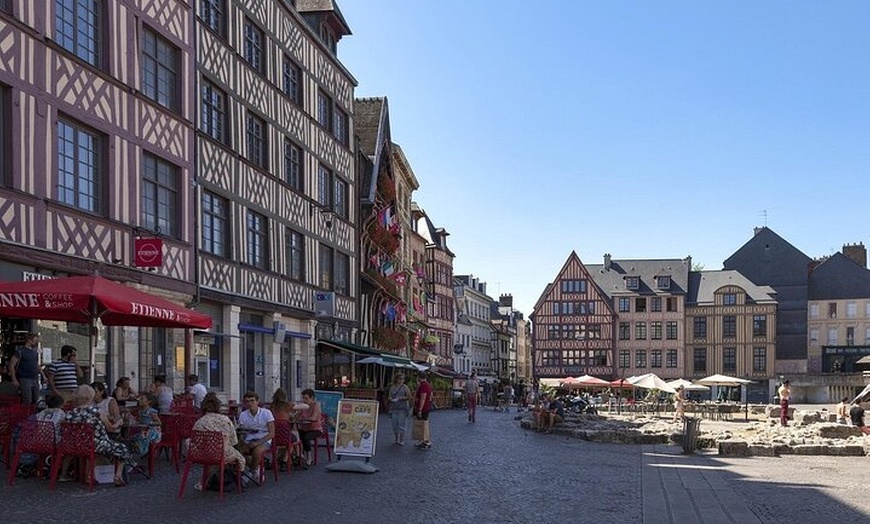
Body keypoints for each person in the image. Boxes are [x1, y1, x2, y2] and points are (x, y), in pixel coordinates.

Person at [64, 384, 136, 487]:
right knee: (123, 448)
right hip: (96, 445)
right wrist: (119, 422)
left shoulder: (70, 413)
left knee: (97, 452)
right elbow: (111, 428)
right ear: (90, 397)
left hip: (75, 445)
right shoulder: (97, 412)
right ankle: (118, 476)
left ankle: (90, 475)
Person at [192, 393, 246, 482]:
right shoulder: (225, 420)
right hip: (222, 454)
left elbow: (196, 441)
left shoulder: (199, 422)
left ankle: (207, 480)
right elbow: (233, 441)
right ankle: (233, 478)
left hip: (202, 454)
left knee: (215, 454)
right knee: (235, 455)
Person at [237, 391, 275, 478]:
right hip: (249, 438)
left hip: (264, 439)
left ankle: (251, 473)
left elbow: (272, 433)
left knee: (257, 451)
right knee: (237, 451)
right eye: (247, 401)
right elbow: (242, 431)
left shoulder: (266, 413)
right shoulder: (243, 415)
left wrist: (256, 443)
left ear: (257, 401)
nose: (250, 403)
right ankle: (255, 467)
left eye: (252, 400)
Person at [8, 333, 41, 405]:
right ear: (29, 340)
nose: (36, 342)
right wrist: (14, 379)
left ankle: (32, 410)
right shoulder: (20, 352)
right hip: (24, 378)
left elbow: (36, 364)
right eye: (35, 340)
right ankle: (26, 410)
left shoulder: (34, 352)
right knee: (27, 398)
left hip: (34, 377)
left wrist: (43, 375)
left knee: (36, 397)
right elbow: (11, 365)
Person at [296, 389, 323, 465]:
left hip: (315, 429)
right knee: (295, 436)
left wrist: (302, 419)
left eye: (306, 398)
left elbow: (313, 418)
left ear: (312, 398)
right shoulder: (303, 406)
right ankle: (300, 455)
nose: (304, 400)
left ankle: (309, 457)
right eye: (303, 398)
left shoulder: (315, 406)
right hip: (304, 428)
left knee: (306, 437)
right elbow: (297, 417)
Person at [133, 392, 162, 458]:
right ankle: (138, 450)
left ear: (149, 401)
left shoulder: (151, 411)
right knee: (135, 437)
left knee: (143, 437)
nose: (140, 400)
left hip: (153, 431)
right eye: (140, 398)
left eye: (142, 399)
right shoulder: (140, 411)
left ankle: (143, 450)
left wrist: (149, 423)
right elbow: (140, 421)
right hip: (144, 430)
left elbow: (159, 422)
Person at [388, 373, 412, 444]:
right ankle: (396, 439)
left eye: (403, 379)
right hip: (393, 408)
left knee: (401, 425)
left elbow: (409, 396)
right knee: (394, 425)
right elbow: (389, 396)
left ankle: (402, 439)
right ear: (396, 379)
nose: (401, 380)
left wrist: (402, 398)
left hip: (402, 408)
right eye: (400, 379)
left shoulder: (405, 387)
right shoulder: (392, 387)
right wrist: (390, 399)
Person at [413, 371, 433, 450]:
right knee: (422, 424)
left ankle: (426, 442)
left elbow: (423, 398)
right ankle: (422, 440)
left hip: (424, 408)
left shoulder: (423, 385)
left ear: (419, 377)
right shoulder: (426, 385)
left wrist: (420, 409)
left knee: (424, 425)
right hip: (426, 407)